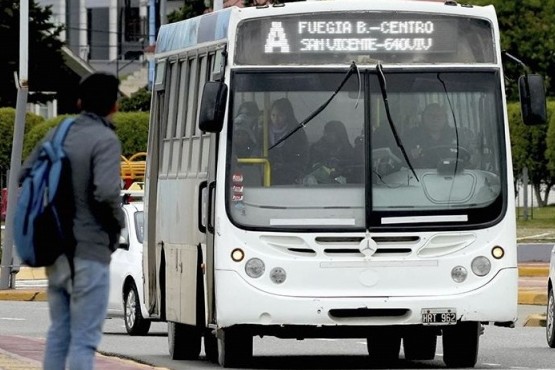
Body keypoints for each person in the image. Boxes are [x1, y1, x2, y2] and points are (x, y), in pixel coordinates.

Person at [19, 72, 125, 370]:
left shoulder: (60, 132)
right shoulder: (105, 139)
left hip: (55, 251)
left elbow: (25, 174)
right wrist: (117, 225)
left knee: (59, 334)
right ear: (114, 106)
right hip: (90, 252)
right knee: (84, 340)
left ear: (79, 102)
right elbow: (106, 192)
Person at [408, 103, 472, 168]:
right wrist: (411, 155)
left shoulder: (457, 135)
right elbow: (401, 159)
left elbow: (467, 158)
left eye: (439, 116)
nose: (435, 119)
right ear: (423, 117)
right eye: (430, 115)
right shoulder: (411, 136)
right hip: (419, 176)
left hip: (454, 174)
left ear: (445, 118)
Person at [268, 98, 308, 185]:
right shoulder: (264, 131)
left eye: (280, 115)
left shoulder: (297, 132)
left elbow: (303, 159)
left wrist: (285, 166)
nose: (276, 119)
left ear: (287, 115)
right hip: (267, 178)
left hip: (291, 179)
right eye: (273, 115)